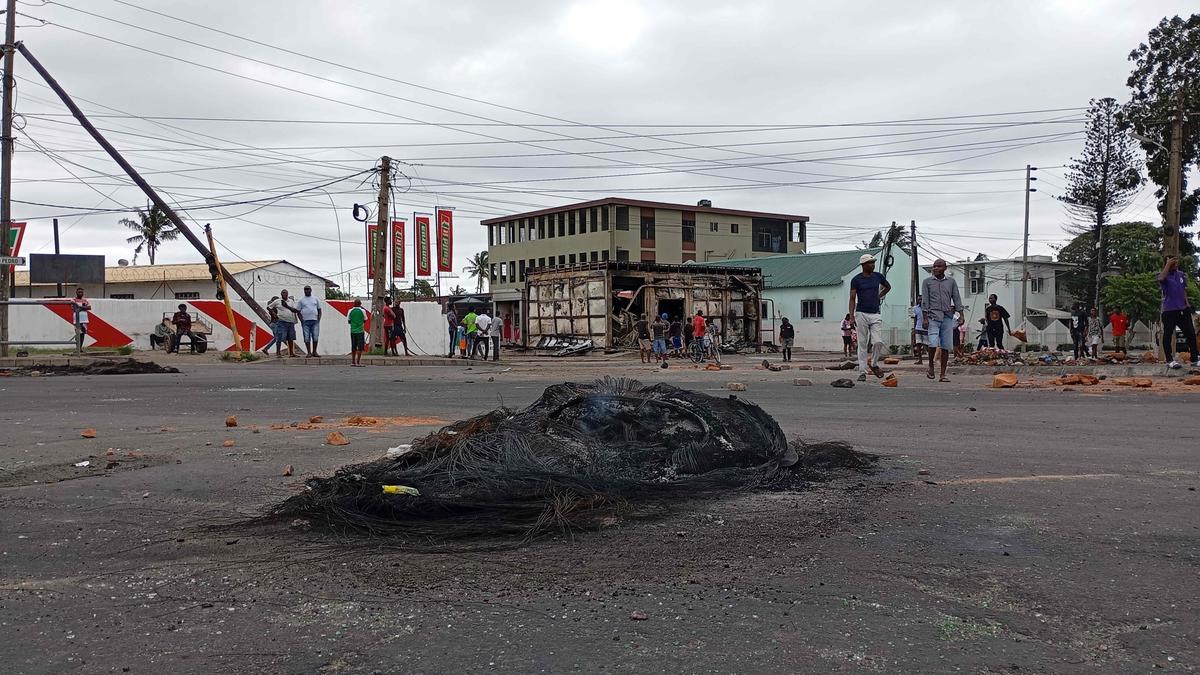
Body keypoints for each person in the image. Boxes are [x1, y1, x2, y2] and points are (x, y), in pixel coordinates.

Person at [848, 253, 892, 381]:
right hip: (861, 313)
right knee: (862, 343)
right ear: (863, 265)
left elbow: (888, 287)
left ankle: (873, 364)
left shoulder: (878, 276)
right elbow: (852, 298)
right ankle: (862, 372)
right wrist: (851, 316)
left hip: (875, 313)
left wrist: (879, 296)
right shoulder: (856, 280)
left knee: (878, 341)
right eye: (870, 263)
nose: (873, 265)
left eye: (873, 262)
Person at [921, 258, 963, 382]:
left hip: (947, 317)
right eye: (934, 266)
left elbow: (956, 298)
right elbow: (925, 301)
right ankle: (931, 367)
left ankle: (943, 374)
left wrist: (961, 314)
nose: (935, 269)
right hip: (933, 316)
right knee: (933, 342)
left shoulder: (951, 282)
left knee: (946, 346)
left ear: (945, 268)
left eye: (938, 266)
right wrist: (925, 318)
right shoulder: (927, 282)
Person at [1159, 255, 1199, 369]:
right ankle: (1170, 360)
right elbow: (1161, 278)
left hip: (1182, 310)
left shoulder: (1181, 274)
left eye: (1176, 262)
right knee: (1168, 334)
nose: (1176, 265)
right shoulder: (1163, 275)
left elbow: (1183, 290)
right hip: (1169, 310)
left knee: (1191, 333)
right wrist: (1167, 264)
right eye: (1173, 263)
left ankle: (1195, 359)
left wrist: (1187, 304)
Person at [269, 289, 299, 357]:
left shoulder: (291, 301)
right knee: (279, 337)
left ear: (287, 294)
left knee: (290, 338)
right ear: (281, 294)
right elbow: (269, 307)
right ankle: (278, 352)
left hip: (291, 322)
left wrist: (287, 306)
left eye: (285, 293)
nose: (284, 294)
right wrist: (273, 314)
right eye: (283, 293)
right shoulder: (277, 301)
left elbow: (295, 310)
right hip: (281, 322)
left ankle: (291, 353)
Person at [296, 285, 322, 358]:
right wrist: (301, 320)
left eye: (308, 289)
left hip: (315, 321)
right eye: (305, 289)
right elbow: (298, 311)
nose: (306, 290)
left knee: (315, 336)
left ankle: (314, 352)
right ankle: (309, 352)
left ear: (311, 290)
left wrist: (319, 318)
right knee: (306, 337)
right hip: (305, 321)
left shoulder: (315, 299)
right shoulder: (301, 300)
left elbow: (319, 309)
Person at [347, 299, 368, 366]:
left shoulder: (350, 311)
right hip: (360, 331)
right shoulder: (363, 311)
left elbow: (349, 321)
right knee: (360, 347)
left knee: (353, 346)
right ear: (360, 304)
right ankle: (358, 362)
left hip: (352, 331)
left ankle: (353, 362)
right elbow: (365, 319)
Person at [912, 295, 927, 365]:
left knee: (927, 344)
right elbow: (915, 318)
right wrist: (914, 328)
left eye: (921, 299)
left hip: (926, 328)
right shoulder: (915, 308)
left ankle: (931, 359)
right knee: (918, 344)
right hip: (918, 328)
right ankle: (920, 360)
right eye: (919, 299)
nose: (920, 300)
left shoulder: (927, 308)